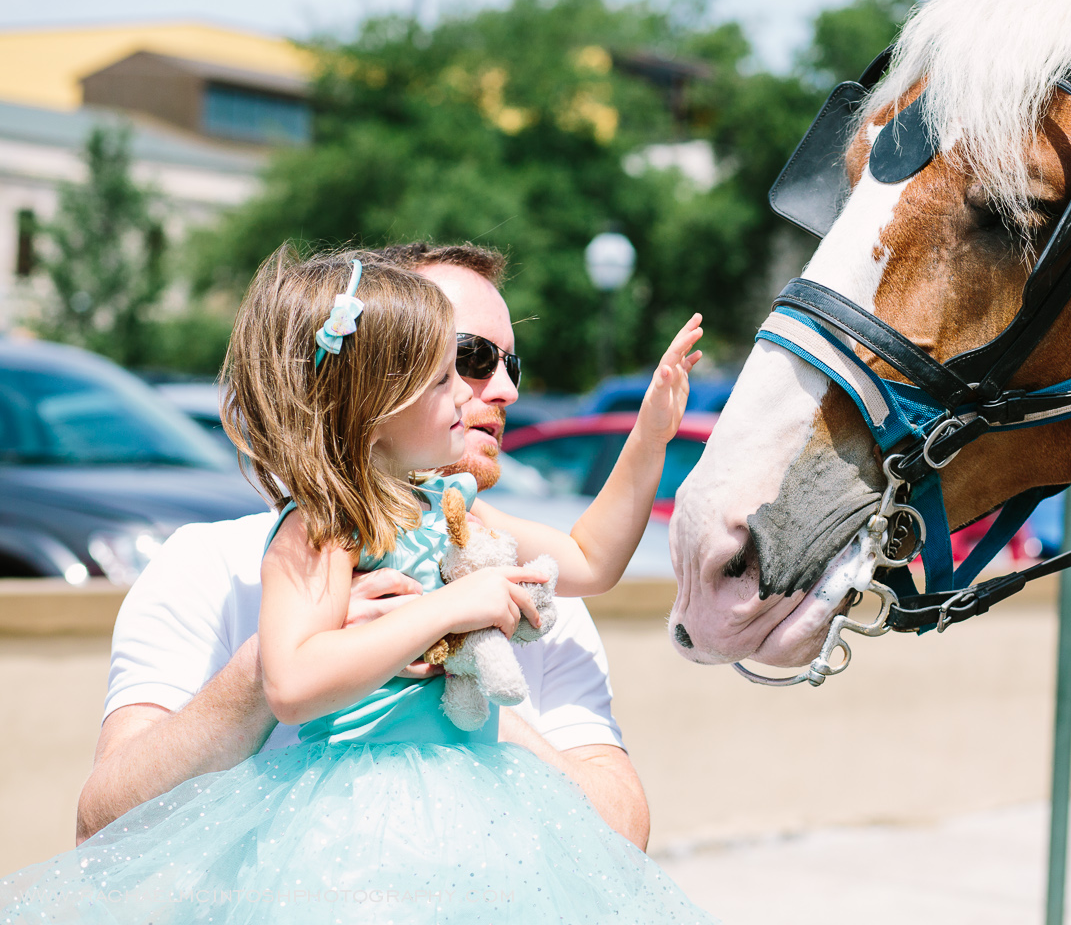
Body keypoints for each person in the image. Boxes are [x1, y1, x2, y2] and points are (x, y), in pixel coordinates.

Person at [3, 251, 710, 923]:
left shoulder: (460, 517)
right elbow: (278, 691)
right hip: (340, 842)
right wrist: (441, 611)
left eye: (506, 363)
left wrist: (650, 439)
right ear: (376, 395)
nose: (499, 391)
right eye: (457, 366)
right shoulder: (313, 532)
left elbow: (590, 557)